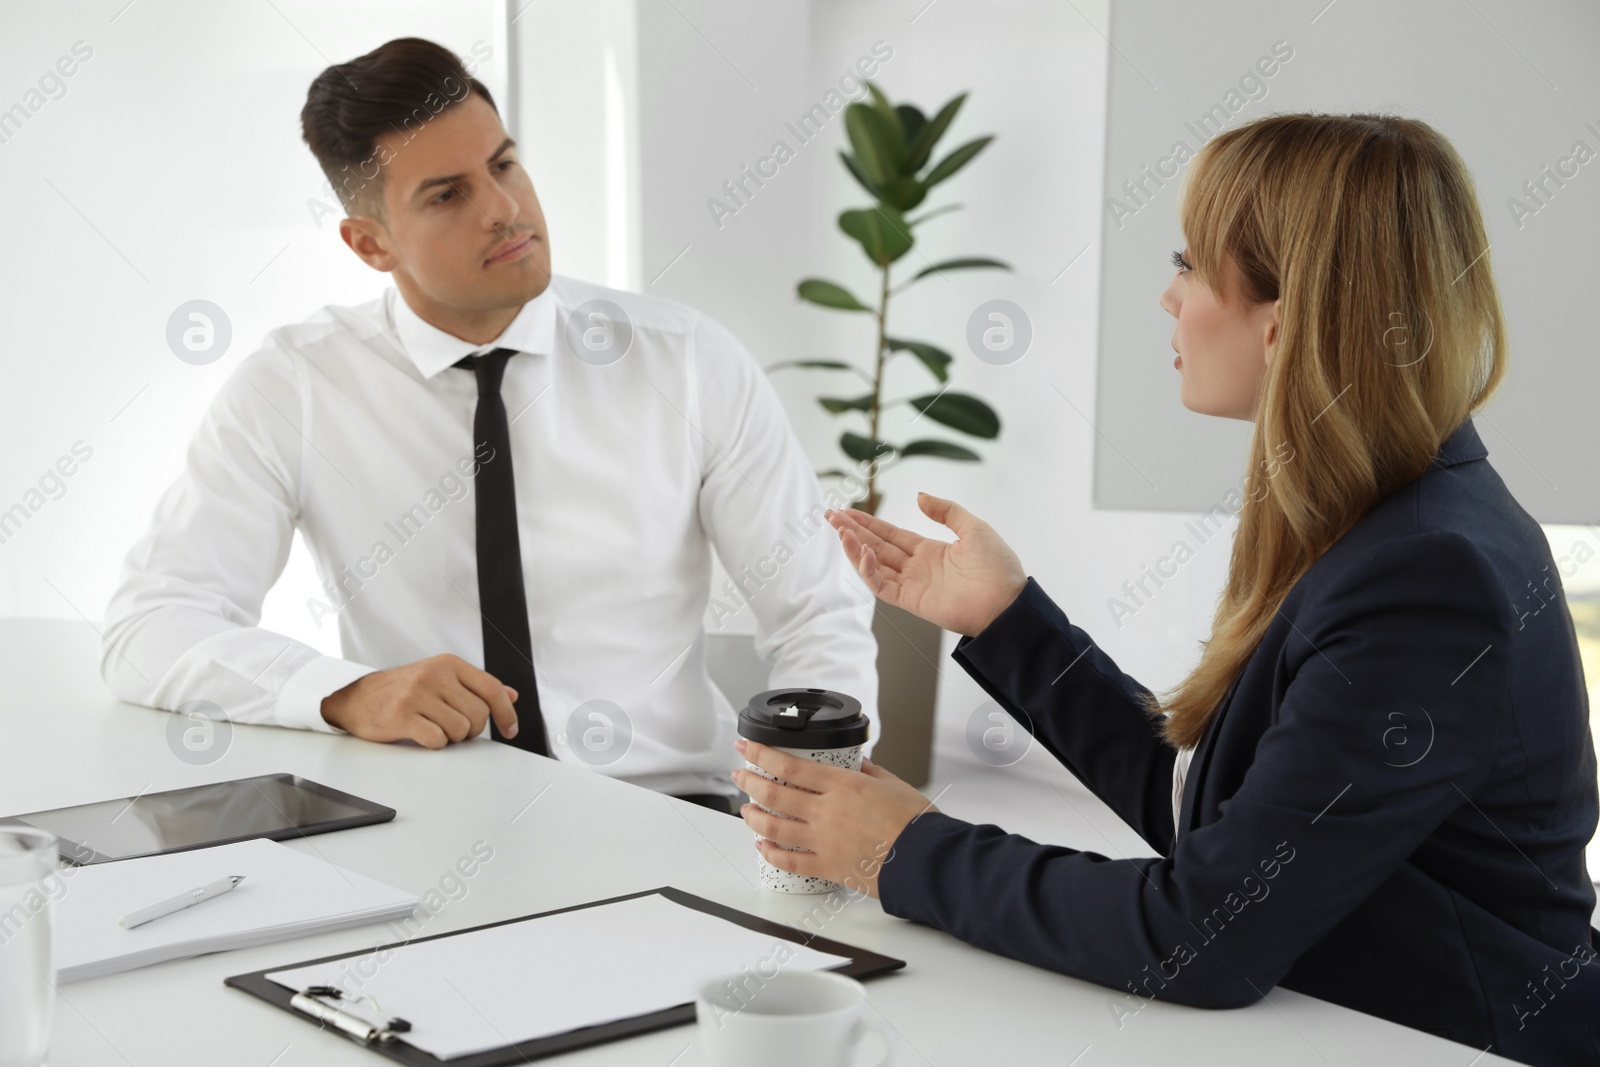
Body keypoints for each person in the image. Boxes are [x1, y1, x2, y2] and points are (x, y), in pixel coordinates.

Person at [730, 113, 1600, 1062]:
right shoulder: (1393, 517)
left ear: (1284, 318)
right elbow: (1221, 825)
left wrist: (902, 850)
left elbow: (1203, 936)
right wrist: (1006, 619)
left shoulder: (1429, 580)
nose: (1167, 296)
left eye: (1189, 265)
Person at [99, 38, 878, 817]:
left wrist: (806, 800)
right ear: (371, 243)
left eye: (503, 166)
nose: (503, 209)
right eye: (446, 195)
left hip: (672, 811)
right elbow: (151, 627)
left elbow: (814, 609)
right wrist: (344, 693)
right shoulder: (297, 386)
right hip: (426, 822)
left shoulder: (688, 362)